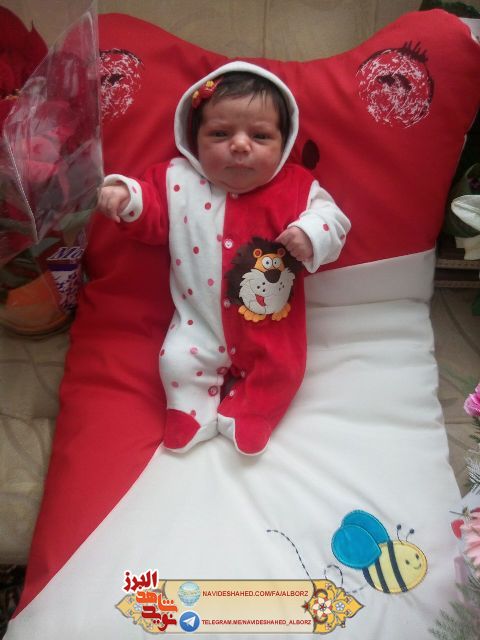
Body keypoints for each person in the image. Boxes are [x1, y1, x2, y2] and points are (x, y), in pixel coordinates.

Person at [97, 60, 351, 455]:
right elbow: (152, 216)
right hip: (197, 322)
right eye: (220, 133)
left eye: (260, 135)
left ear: (284, 143)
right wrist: (127, 197)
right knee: (176, 361)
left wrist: (311, 233)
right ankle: (190, 410)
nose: (240, 145)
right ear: (193, 138)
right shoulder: (176, 180)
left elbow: (333, 220)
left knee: (283, 370)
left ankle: (253, 411)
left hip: (270, 326)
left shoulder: (297, 186)